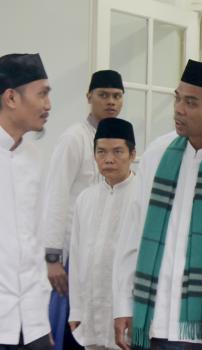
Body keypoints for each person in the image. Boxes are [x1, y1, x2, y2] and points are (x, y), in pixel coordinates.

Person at [111, 59, 202, 350]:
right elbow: (133, 232)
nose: (178, 109)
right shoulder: (156, 155)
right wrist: (123, 305)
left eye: (191, 102)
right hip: (153, 317)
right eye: (177, 98)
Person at [40, 68, 124, 350]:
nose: (110, 102)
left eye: (116, 96)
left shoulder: (118, 141)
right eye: (103, 95)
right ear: (89, 97)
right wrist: (53, 257)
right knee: (69, 332)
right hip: (69, 258)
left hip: (103, 257)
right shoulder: (75, 138)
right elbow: (56, 195)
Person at [67, 118, 137, 350]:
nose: (108, 159)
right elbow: (77, 258)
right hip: (90, 310)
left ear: (132, 154)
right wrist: (75, 309)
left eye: (118, 151)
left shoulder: (143, 196)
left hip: (127, 313)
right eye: (101, 152)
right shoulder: (85, 199)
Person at [0, 53, 52, 350]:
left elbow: (35, 241)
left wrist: (40, 324)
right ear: (11, 98)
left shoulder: (34, 157)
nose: (48, 105)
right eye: (42, 93)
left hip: (31, 327)